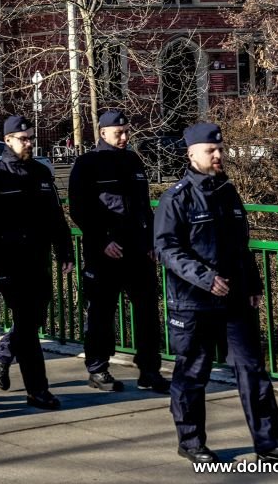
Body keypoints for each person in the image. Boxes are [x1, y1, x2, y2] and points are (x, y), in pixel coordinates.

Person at [155, 122, 278, 464]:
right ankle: (191, 442)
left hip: (234, 300)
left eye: (220, 149)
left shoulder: (227, 192)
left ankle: (269, 445)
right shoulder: (176, 197)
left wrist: (252, 285)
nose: (218, 155)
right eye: (210, 150)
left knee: (253, 371)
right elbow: (167, 249)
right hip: (193, 302)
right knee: (193, 374)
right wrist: (205, 278)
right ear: (191, 154)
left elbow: (241, 247)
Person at [69, 109, 171, 394]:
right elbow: (79, 208)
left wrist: (152, 241)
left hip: (138, 249)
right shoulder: (87, 163)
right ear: (103, 133)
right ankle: (98, 368)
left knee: (147, 312)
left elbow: (143, 207)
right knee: (101, 313)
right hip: (105, 252)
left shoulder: (132, 160)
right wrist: (102, 240)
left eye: (127, 132)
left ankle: (149, 370)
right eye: (119, 133)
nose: (125, 137)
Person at [0, 115, 74, 410]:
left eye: (31, 137)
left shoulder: (40, 172)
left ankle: (3, 352)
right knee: (28, 326)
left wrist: (65, 251)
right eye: (23, 139)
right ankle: (37, 390)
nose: (29, 143)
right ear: (7, 141)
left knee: (35, 319)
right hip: (9, 261)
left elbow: (55, 216)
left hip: (38, 259)